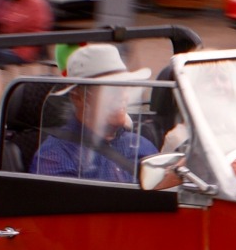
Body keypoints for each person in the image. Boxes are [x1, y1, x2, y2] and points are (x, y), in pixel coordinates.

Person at [29, 45, 157, 183]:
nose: (122, 96)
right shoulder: (55, 155)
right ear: (78, 97)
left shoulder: (141, 145)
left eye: (124, 87)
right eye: (111, 90)